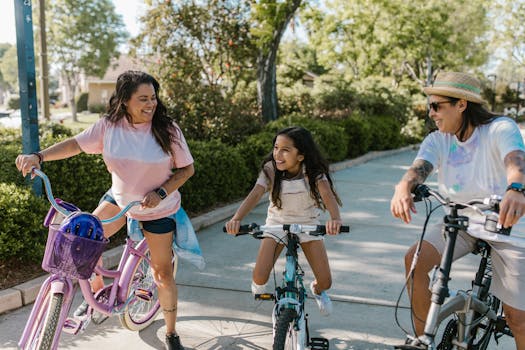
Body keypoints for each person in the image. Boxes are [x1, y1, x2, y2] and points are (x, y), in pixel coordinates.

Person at [15, 70, 195, 350]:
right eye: (143, 99)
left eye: (154, 98)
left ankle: (171, 333)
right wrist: (39, 156)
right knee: (83, 244)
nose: (151, 105)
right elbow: (76, 144)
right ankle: (96, 298)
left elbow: (187, 169)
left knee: (162, 274)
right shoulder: (109, 126)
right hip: (120, 200)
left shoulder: (167, 129)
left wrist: (160, 193)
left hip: (157, 207)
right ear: (124, 100)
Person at [390, 71, 525, 349]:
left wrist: (516, 188)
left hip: (507, 224)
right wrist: (404, 187)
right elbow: (419, 169)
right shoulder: (439, 139)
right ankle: (422, 339)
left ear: (461, 104)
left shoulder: (500, 128)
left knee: (517, 318)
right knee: (414, 262)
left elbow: (515, 159)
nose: (431, 113)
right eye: (430, 106)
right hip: (461, 223)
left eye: (437, 106)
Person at [224, 126, 343, 316]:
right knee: (260, 278)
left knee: (326, 281)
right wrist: (236, 218)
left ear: (301, 156)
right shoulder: (271, 169)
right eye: (276, 147)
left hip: (308, 224)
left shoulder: (312, 172)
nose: (278, 154)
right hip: (277, 223)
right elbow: (255, 194)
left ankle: (317, 291)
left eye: (285, 150)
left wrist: (335, 219)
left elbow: (327, 194)